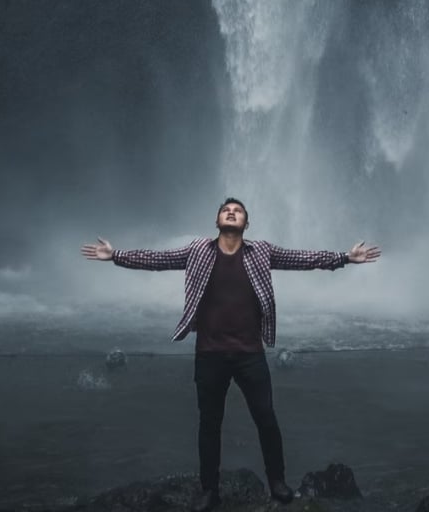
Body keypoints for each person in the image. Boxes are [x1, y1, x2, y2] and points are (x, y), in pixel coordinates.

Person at [81, 197, 381, 512]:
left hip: (250, 353)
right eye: (226, 210)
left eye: (237, 211)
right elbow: (158, 259)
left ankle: (277, 482)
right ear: (217, 221)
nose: (231, 212)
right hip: (209, 353)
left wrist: (345, 257)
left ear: (246, 224)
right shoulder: (197, 250)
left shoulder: (261, 251)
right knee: (210, 424)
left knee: (266, 419)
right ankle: (209, 491)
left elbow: (301, 258)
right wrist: (115, 255)